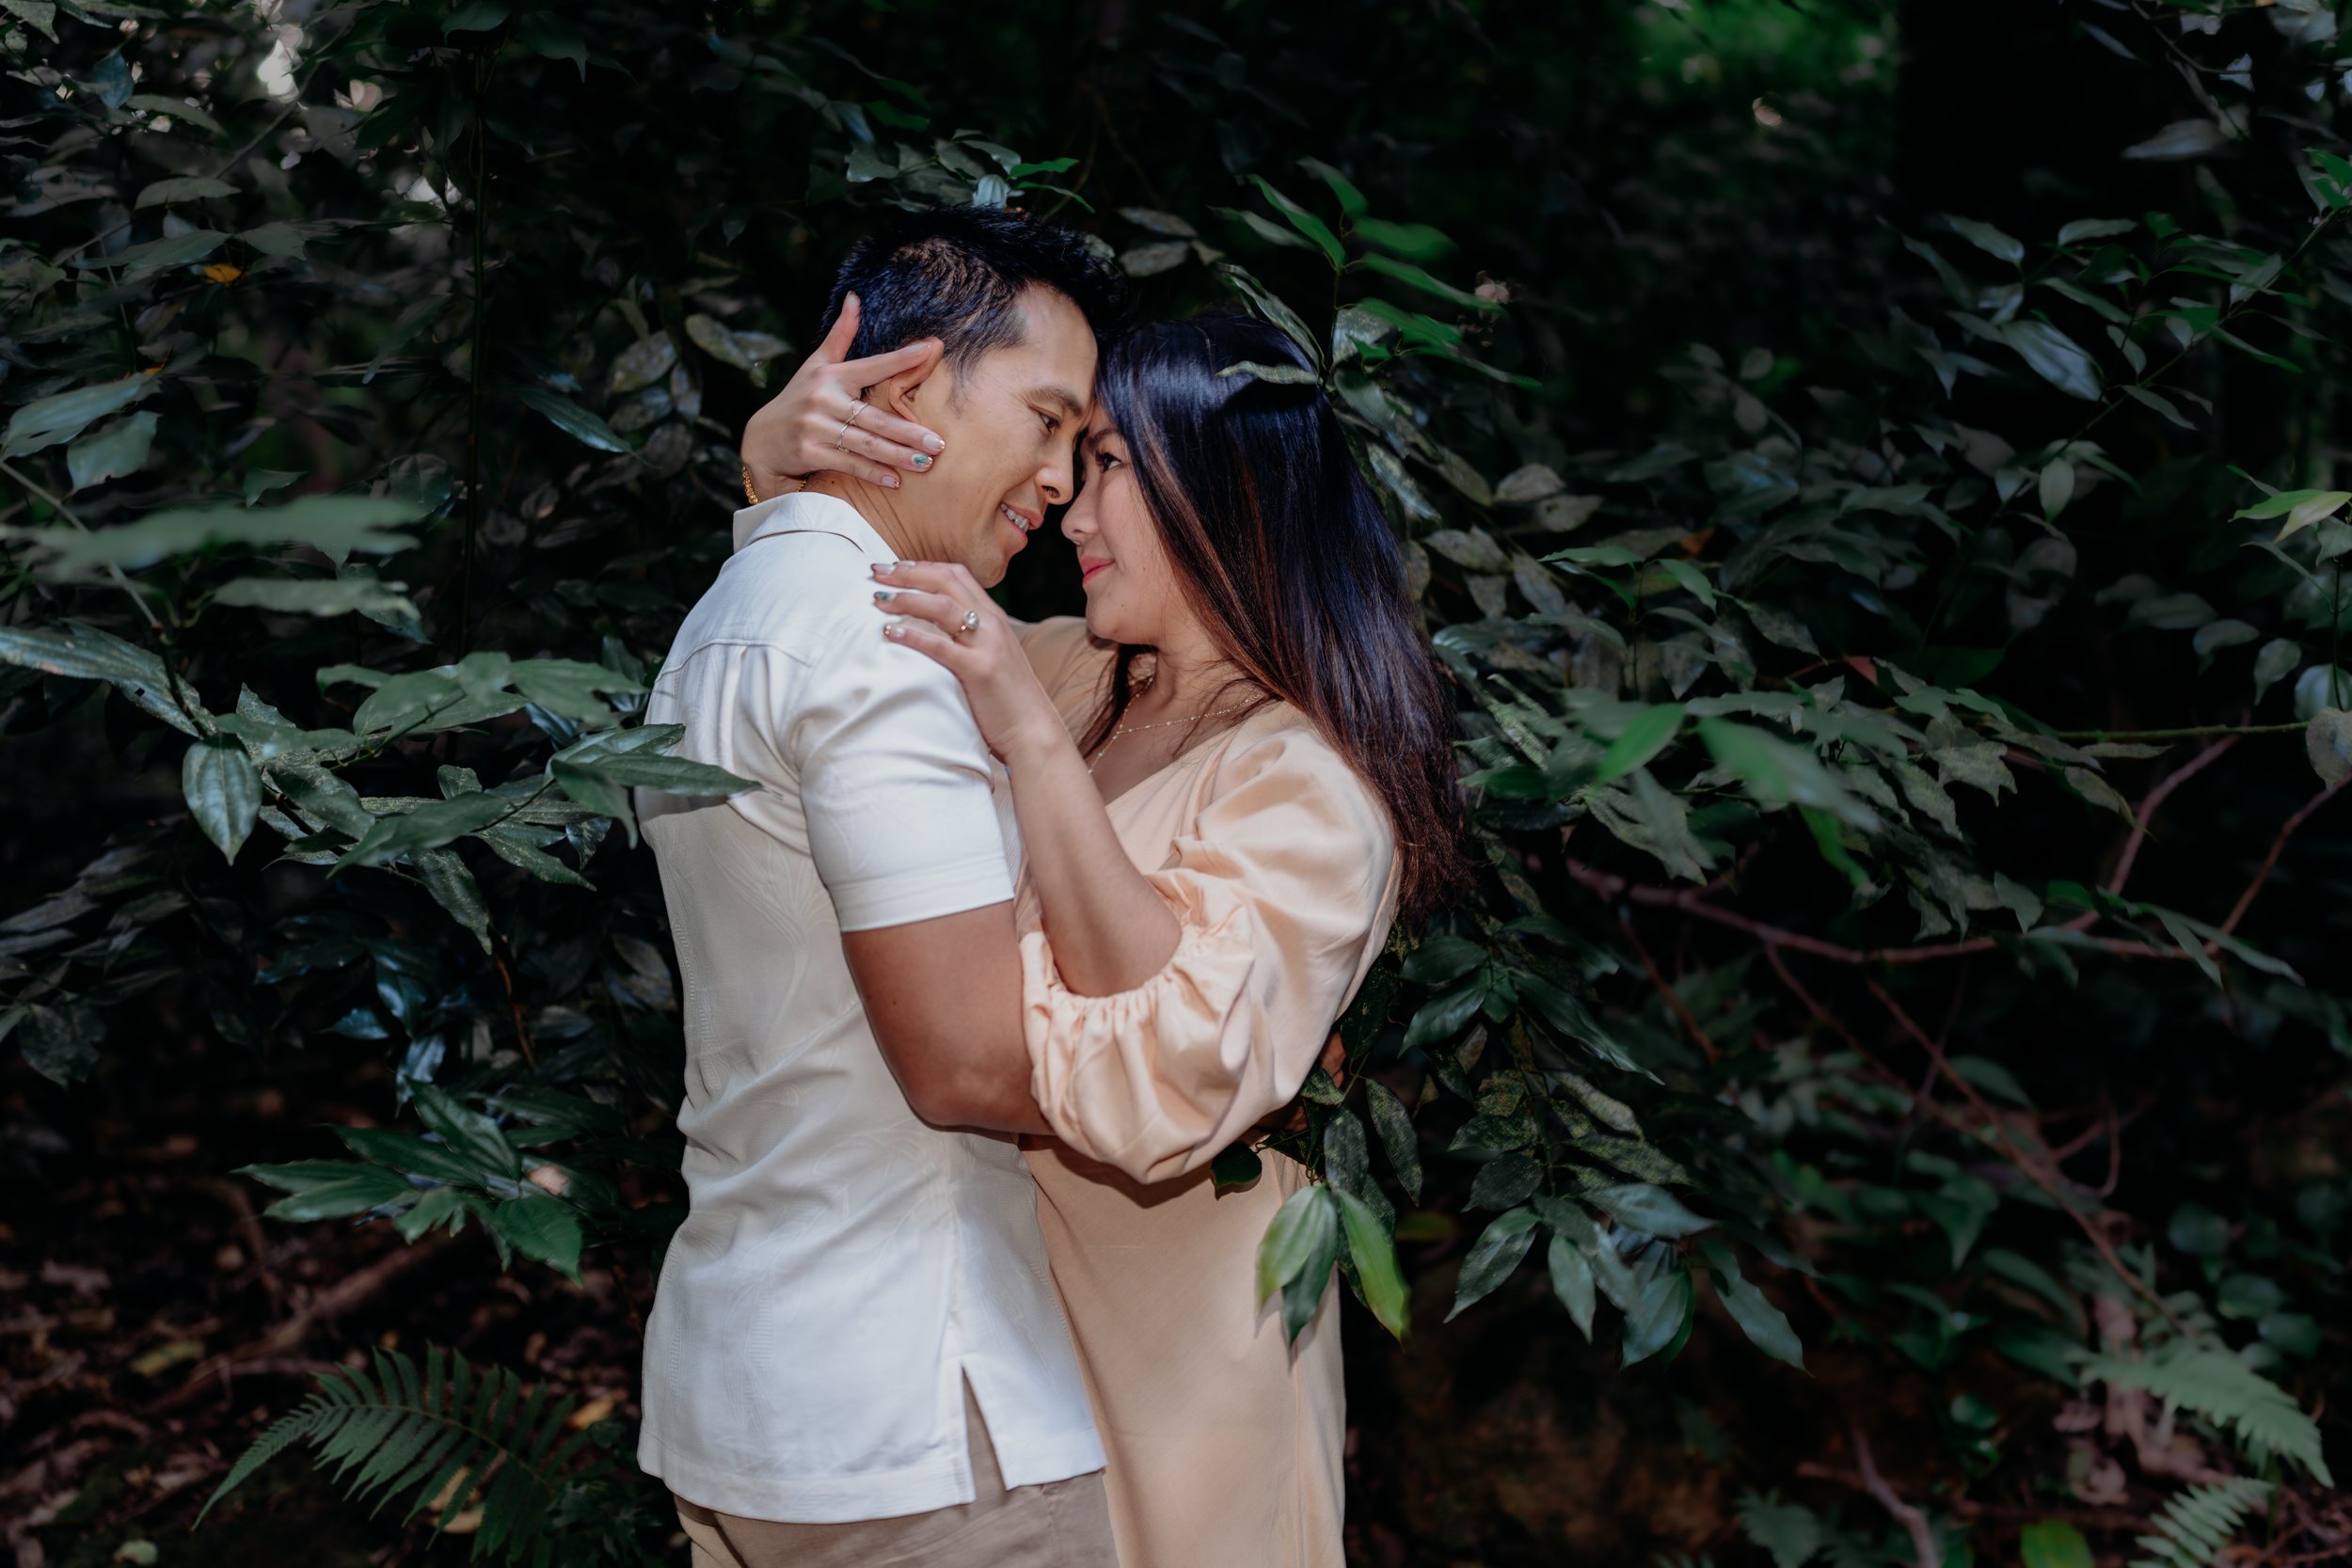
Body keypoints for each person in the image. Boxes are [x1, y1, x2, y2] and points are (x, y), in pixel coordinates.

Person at [741, 308, 1470, 1568]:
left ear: (1229, 483)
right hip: (997, 1358)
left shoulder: (1312, 792)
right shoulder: (1080, 672)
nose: (1073, 512)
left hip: (1182, 1384)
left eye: (1116, 467)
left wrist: (1027, 741)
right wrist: (773, 465)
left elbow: (1168, 1062)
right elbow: (850, 626)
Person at [634, 205, 1128, 1568]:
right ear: (907, 386)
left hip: (747, 1388)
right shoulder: (880, 646)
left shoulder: (723, 621)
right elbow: (965, 1064)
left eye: (1086, 450)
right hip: (921, 1426)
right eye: (1044, 422)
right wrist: (1209, 1042)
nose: (1058, 480)